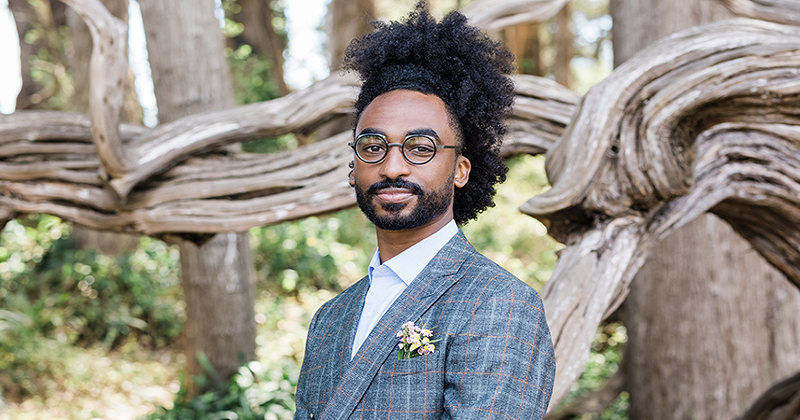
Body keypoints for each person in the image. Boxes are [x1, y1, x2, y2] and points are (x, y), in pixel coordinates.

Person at [294, 3, 555, 419]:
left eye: (420, 148)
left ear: (461, 169)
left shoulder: (500, 304)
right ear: (352, 168)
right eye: (373, 146)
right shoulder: (330, 319)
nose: (392, 166)